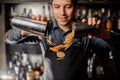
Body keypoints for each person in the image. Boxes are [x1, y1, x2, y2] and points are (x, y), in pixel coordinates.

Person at [6, 0, 111, 80]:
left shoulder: (86, 32)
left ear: (75, 7)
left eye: (68, 7)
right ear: (52, 7)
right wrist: (27, 30)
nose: (62, 13)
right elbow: (8, 38)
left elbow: (113, 46)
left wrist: (105, 34)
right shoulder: (45, 29)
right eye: (57, 7)